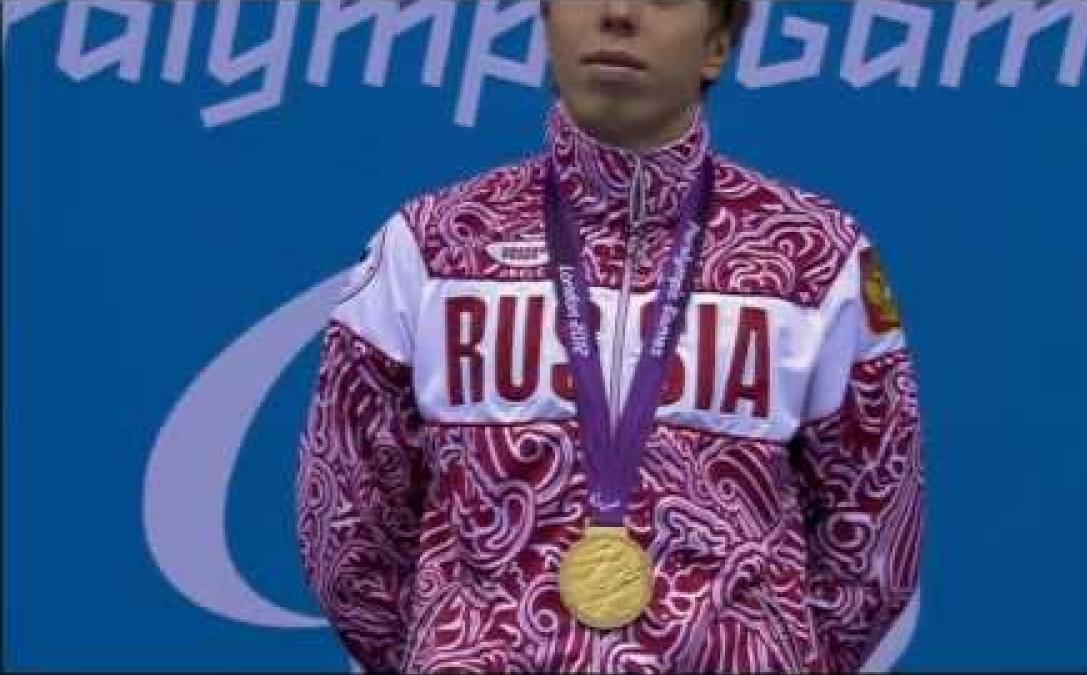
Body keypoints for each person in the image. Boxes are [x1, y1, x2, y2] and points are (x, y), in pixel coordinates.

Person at [296, 1, 925, 672]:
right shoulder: (430, 246)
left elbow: (877, 523)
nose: (617, 13)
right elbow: (347, 524)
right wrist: (454, 651)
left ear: (716, 45)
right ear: (545, 22)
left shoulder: (816, 258)